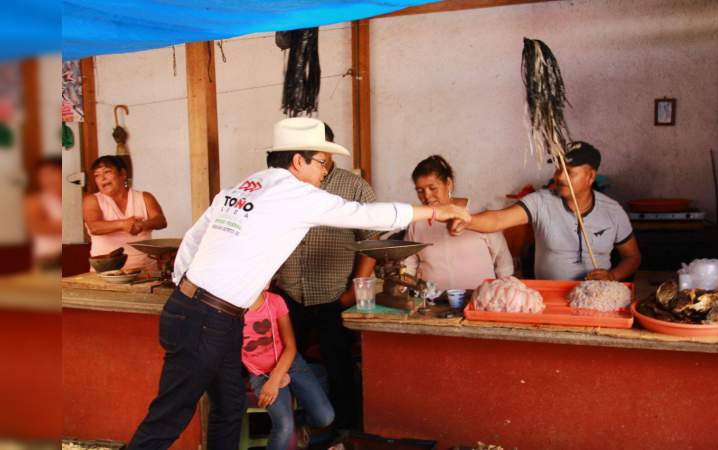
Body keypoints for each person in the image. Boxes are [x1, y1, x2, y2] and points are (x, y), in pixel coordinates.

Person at [127, 117, 471, 449]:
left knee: (229, 408)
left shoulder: (245, 187)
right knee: (169, 418)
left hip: (207, 313)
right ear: (297, 160)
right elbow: (364, 214)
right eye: (322, 163)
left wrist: (188, 290)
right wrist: (436, 211)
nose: (325, 171)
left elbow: (193, 239)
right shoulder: (293, 193)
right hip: (206, 318)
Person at [273, 123, 376, 429]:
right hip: (289, 294)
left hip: (334, 295)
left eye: (323, 152)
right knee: (289, 367)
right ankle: (300, 429)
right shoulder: (285, 185)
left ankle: (343, 432)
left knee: (339, 368)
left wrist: (351, 293)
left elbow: (373, 241)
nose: (321, 158)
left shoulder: (354, 186)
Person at [450, 142, 641, 281]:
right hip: (549, 297)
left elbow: (632, 257)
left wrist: (612, 276)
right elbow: (498, 220)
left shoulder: (613, 211)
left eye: (569, 172)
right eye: (558, 169)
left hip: (598, 297)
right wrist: (468, 220)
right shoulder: (541, 202)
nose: (559, 177)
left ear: (590, 176)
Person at [404, 155, 513, 291]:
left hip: (478, 301)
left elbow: (503, 262)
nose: (426, 196)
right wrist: (401, 286)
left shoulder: (478, 213)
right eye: (420, 191)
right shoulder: (417, 221)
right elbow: (409, 263)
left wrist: (504, 293)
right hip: (432, 304)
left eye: (433, 188)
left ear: (448, 183)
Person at [243, 289, 334, 450]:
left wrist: (277, 377)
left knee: (325, 417)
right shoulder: (234, 309)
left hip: (290, 362)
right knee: (284, 426)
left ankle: (298, 420)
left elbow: (290, 346)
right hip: (260, 373)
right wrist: (272, 380)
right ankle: (291, 422)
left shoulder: (275, 301)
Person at [83, 155, 167, 272]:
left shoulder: (145, 197)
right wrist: (123, 224)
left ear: (122, 174)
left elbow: (161, 221)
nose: (102, 178)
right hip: (105, 272)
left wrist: (142, 225)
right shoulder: (92, 200)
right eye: (97, 175)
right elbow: (94, 227)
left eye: (107, 172)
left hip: (145, 270)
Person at [24, 156, 62, 269]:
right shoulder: (35, 200)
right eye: (43, 175)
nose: (49, 179)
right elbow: (36, 228)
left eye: (53, 173)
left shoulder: (73, 198)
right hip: (48, 258)